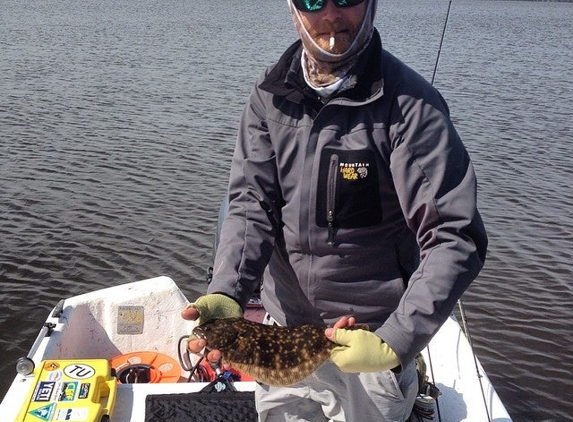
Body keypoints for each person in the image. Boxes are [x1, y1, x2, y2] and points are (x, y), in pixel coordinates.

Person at [182, 0, 488, 420]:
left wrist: (395, 341)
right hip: (281, 334)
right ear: (293, 9)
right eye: (312, 1)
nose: (330, 15)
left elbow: (453, 236)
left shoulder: (411, 106)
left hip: (370, 343)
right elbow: (251, 204)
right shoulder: (269, 97)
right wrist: (226, 289)